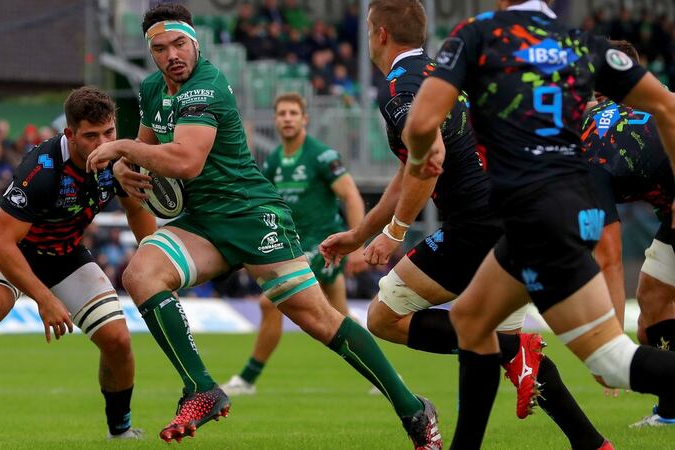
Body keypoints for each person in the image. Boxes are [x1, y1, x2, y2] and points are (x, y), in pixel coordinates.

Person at [86, 4, 440, 448]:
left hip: (251, 215)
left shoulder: (207, 84)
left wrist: (119, 148)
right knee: (140, 273)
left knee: (319, 319)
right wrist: (123, 167)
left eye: (179, 43)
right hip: (202, 223)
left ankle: (413, 410)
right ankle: (202, 389)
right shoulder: (154, 88)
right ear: (151, 53)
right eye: (160, 48)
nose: (171, 54)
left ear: (194, 41)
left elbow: (186, 161)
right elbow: (145, 149)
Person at [321, 2, 610, 449]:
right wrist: (360, 234)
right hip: (513, 214)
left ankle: (512, 356)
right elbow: (408, 169)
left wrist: (395, 233)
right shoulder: (443, 74)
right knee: (506, 341)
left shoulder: (400, 88)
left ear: (379, 34)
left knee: (385, 315)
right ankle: (593, 444)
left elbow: (427, 159)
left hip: (476, 224)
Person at [404, 0, 675, 448]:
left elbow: (421, 120)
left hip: (538, 213)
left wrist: (420, 153)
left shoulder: (481, 34)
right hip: (562, 208)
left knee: (611, 360)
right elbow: (667, 107)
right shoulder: (581, 43)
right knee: (472, 319)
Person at [0, 87, 156, 440]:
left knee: (118, 340)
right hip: (11, 249)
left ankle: (120, 430)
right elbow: (2, 244)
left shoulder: (119, 161)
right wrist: (45, 299)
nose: (103, 143)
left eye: (109, 133)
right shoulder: (42, 168)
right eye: (91, 135)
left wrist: (151, 257)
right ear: (70, 134)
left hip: (64, 254)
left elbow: (136, 210)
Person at [221, 92, 367, 396]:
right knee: (339, 318)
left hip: (323, 245)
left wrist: (357, 244)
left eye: (293, 113)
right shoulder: (274, 160)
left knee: (270, 301)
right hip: (293, 246)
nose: (287, 118)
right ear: (275, 120)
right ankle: (383, 377)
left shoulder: (322, 156)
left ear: (304, 119)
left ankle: (247, 380)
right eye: (282, 113)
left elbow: (351, 195)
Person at [585, 41, 675, 428]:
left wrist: (610, 349)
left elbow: (609, 258)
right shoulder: (658, 99)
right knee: (652, 304)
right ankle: (670, 413)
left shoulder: (588, 141)